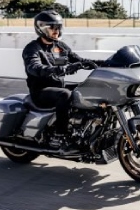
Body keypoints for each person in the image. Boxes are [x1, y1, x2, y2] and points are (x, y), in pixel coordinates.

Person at [22, 10, 104, 148]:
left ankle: (88, 128)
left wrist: (105, 63)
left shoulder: (60, 46)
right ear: (41, 28)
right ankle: (61, 134)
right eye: (52, 27)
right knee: (65, 94)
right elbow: (34, 68)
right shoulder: (33, 48)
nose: (56, 30)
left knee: (87, 88)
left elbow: (79, 60)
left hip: (58, 87)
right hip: (41, 91)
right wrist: (63, 69)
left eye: (58, 27)